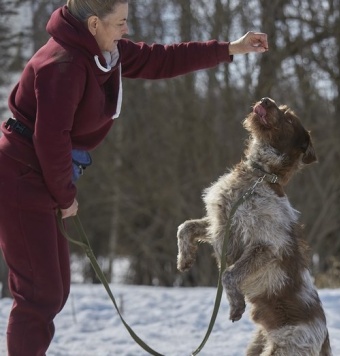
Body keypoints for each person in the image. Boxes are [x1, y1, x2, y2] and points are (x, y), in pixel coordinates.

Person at [0, 0, 268, 354]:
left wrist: (230, 48)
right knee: (39, 294)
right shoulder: (62, 64)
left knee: (54, 290)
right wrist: (64, 195)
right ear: (94, 23)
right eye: (121, 22)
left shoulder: (99, 50)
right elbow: (50, 139)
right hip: (22, 177)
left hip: (38, 175)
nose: (126, 29)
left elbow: (162, 59)